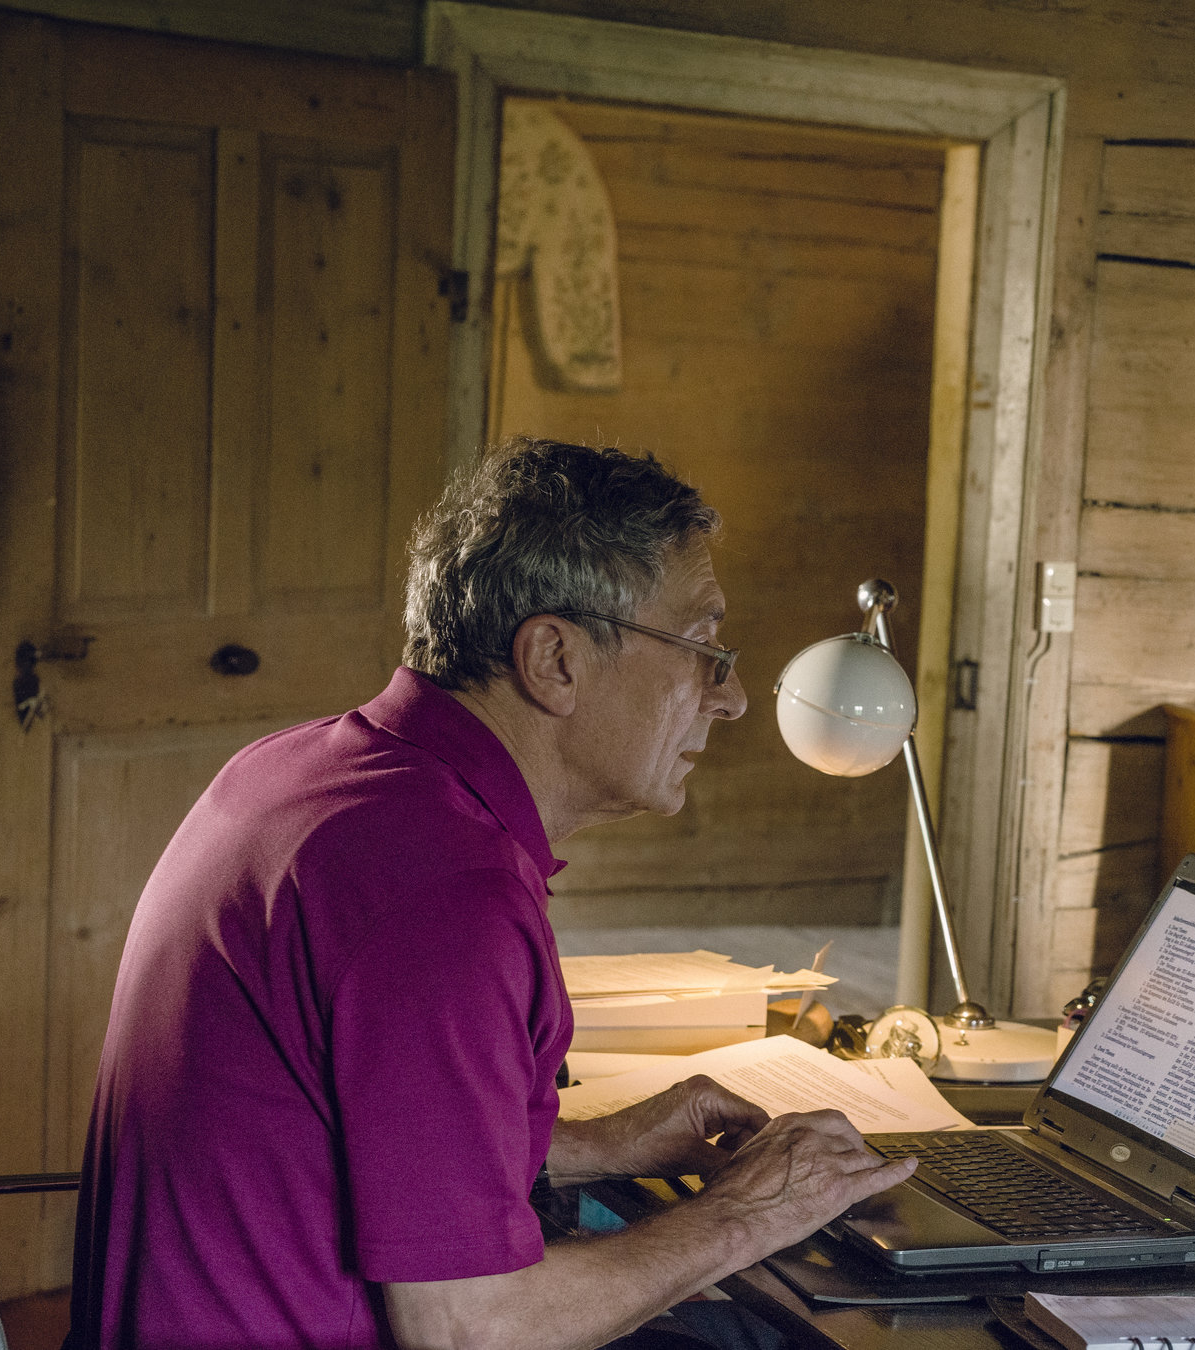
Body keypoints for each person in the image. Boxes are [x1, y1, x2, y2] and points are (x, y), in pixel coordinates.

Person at [71, 438, 917, 1350]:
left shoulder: (308, 773)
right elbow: (470, 1332)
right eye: (702, 648)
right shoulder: (443, 894)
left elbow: (344, 1137)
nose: (734, 697)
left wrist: (604, 1144)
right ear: (554, 658)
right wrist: (751, 1210)